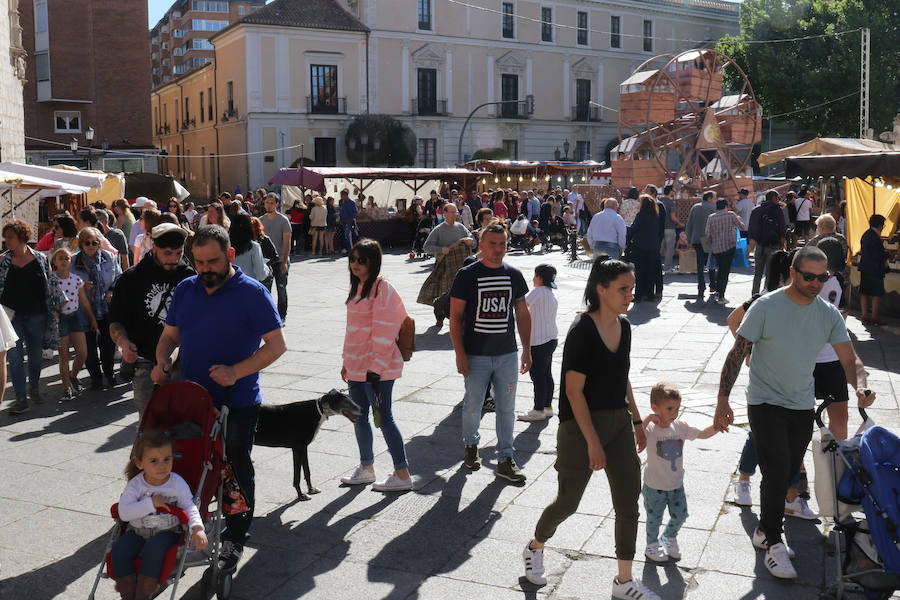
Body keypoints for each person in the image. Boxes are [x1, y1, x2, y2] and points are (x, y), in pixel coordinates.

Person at [714, 246, 875, 579]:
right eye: (809, 277)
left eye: (823, 277)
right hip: (764, 401)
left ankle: (762, 531)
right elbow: (736, 353)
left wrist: (860, 385)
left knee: (787, 472)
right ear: (793, 273)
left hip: (801, 404)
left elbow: (850, 359)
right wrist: (722, 400)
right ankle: (774, 543)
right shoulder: (766, 306)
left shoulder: (827, 313)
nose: (817, 283)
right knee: (775, 473)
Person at [152, 225, 285, 573]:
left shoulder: (252, 293)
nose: (204, 269)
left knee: (235, 469)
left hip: (237, 400)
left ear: (229, 255)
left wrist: (236, 371)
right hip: (192, 400)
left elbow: (276, 346)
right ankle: (194, 527)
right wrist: (162, 361)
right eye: (198, 262)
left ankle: (235, 537)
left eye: (212, 261)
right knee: (194, 466)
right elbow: (169, 337)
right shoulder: (186, 289)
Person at [522, 258, 656, 600]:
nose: (630, 295)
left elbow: (622, 376)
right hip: (580, 427)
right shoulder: (581, 331)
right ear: (601, 289)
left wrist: (638, 421)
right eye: (623, 289)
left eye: (631, 288)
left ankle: (623, 581)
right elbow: (572, 392)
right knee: (568, 502)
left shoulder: (624, 327)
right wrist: (593, 442)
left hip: (618, 423)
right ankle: (535, 545)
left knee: (629, 501)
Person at [450, 222, 531, 482]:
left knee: (507, 408)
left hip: (507, 353)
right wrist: (460, 354)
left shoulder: (514, 275)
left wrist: (527, 349)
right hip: (476, 355)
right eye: (492, 244)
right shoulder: (467, 275)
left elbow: (522, 312)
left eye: (503, 244)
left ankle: (505, 457)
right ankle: (471, 445)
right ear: (481, 245)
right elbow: (455, 316)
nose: (498, 250)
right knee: (473, 405)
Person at [339, 239, 413, 492]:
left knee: (384, 418)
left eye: (362, 260)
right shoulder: (357, 287)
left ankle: (402, 473)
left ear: (374, 261)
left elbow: (385, 330)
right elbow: (353, 331)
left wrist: (376, 368)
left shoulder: (383, 289)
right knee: (359, 418)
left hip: (376, 369)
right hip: (358, 366)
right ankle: (366, 468)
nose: (355, 264)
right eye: (353, 259)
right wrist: (346, 362)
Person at [109, 223, 194, 417]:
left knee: (184, 428)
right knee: (151, 430)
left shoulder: (189, 276)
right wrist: (124, 342)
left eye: (178, 253)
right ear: (154, 247)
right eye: (167, 253)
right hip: (146, 366)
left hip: (183, 363)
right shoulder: (131, 279)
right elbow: (116, 322)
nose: (174, 259)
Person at [112, 430, 207, 600]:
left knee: (154, 548)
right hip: (137, 531)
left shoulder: (176, 483)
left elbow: (189, 505)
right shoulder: (136, 485)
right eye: (154, 461)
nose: (162, 465)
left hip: (167, 532)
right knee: (120, 548)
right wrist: (151, 504)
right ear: (140, 463)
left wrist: (197, 527)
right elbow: (124, 513)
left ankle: (144, 593)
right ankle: (127, 593)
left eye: (167, 459)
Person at [641, 382, 718, 562]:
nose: (674, 413)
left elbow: (702, 434)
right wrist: (648, 418)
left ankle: (669, 536)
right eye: (669, 409)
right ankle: (651, 545)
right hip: (654, 486)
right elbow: (635, 433)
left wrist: (717, 426)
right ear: (655, 408)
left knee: (681, 515)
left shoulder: (680, 426)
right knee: (654, 519)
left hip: (676, 484)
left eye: (677, 408)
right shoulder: (651, 429)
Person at [1, 220, 67, 414]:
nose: (6, 242)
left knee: (36, 356)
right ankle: (21, 398)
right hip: (11, 316)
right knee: (14, 356)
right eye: (5, 238)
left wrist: (57, 307)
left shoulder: (40, 258)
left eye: (10, 237)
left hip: (37, 314)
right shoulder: (3, 261)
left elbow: (51, 283)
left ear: (22, 237)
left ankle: (35, 388)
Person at [72, 227, 122, 390]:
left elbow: (119, 277)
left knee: (108, 345)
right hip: (84, 310)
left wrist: (112, 291)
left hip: (105, 308)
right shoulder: (73, 261)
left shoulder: (108, 257)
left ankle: (109, 373)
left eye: (94, 242)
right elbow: (63, 282)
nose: (91, 246)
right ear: (81, 245)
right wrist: (79, 286)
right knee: (89, 347)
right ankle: (95, 377)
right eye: (87, 243)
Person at [50, 247, 97, 401]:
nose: (64, 261)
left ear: (71, 262)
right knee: (63, 356)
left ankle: (73, 376)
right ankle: (65, 388)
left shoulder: (77, 280)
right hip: (60, 318)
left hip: (75, 317)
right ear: (54, 262)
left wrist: (92, 318)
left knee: (82, 353)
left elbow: (84, 300)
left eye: (67, 258)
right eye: (60, 258)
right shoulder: (52, 280)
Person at [518, 264, 558, 422]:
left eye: (535, 276)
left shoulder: (538, 291)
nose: (533, 279)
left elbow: (522, 306)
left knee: (538, 376)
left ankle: (538, 409)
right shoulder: (550, 292)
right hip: (551, 338)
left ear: (540, 278)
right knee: (547, 374)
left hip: (538, 341)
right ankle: (547, 407)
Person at [747, 190, 787, 295]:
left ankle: (754, 294)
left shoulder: (756, 210)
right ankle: (766, 294)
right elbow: (782, 229)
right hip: (773, 245)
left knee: (758, 273)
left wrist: (751, 245)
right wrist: (782, 245)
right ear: (773, 198)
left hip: (759, 245)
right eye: (778, 198)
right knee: (770, 273)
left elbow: (751, 229)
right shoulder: (778, 211)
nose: (779, 200)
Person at [704, 198, 743, 304]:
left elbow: (707, 234)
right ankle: (721, 295)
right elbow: (742, 227)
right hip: (730, 246)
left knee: (721, 269)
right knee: (725, 271)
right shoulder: (731, 215)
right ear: (726, 206)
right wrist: (738, 219)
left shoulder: (711, 217)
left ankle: (718, 290)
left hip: (717, 247)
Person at [261, 192, 292, 321]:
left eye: (271, 203)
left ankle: (282, 316)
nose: (268, 205)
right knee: (265, 291)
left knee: (281, 289)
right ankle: (268, 315)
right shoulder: (261, 220)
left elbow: (287, 242)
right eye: (266, 202)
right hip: (266, 262)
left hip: (280, 260)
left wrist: (284, 261)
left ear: (277, 204)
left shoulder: (283, 220)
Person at [685, 191, 718, 300]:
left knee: (699, 264)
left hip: (696, 238)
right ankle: (712, 285)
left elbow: (689, 224)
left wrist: (689, 238)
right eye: (714, 198)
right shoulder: (713, 208)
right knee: (711, 262)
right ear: (709, 198)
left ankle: (701, 287)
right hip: (708, 239)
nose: (715, 200)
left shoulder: (695, 207)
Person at [626, 195, 660, 302]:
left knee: (640, 272)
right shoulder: (656, 216)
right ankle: (650, 294)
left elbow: (634, 229)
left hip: (640, 247)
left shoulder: (641, 215)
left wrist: (629, 233)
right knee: (650, 271)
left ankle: (639, 295)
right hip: (653, 247)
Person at [858, 214, 889, 326]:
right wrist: (886, 254)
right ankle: (874, 317)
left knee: (864, 292)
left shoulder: (866, 234)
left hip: (865, 267)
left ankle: (865, 315)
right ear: (880, 225)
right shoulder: (875, 238)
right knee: (876, 293)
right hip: (875, 269)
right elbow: (877, 255)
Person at [230, 213, 271, 283]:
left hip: (230, 286)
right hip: (249, 286)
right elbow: (261, 275)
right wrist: (266, 267)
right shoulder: (254, 247)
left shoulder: (224, 246)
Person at [807, 214, 849, 280]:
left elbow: (805, 254)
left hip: (821, 276)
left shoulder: (816, 240)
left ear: (822, 228)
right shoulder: (842, 239)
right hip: (841, 275)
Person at [659, 185, 681, 271]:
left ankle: (656, 266)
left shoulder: (659, 201)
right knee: (669, 248)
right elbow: (672, 217)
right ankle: (667, 267)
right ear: (671, 191)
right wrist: (680, 223)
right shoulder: (671, 202)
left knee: (659, 248)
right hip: (669, 228)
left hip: (660, 227)